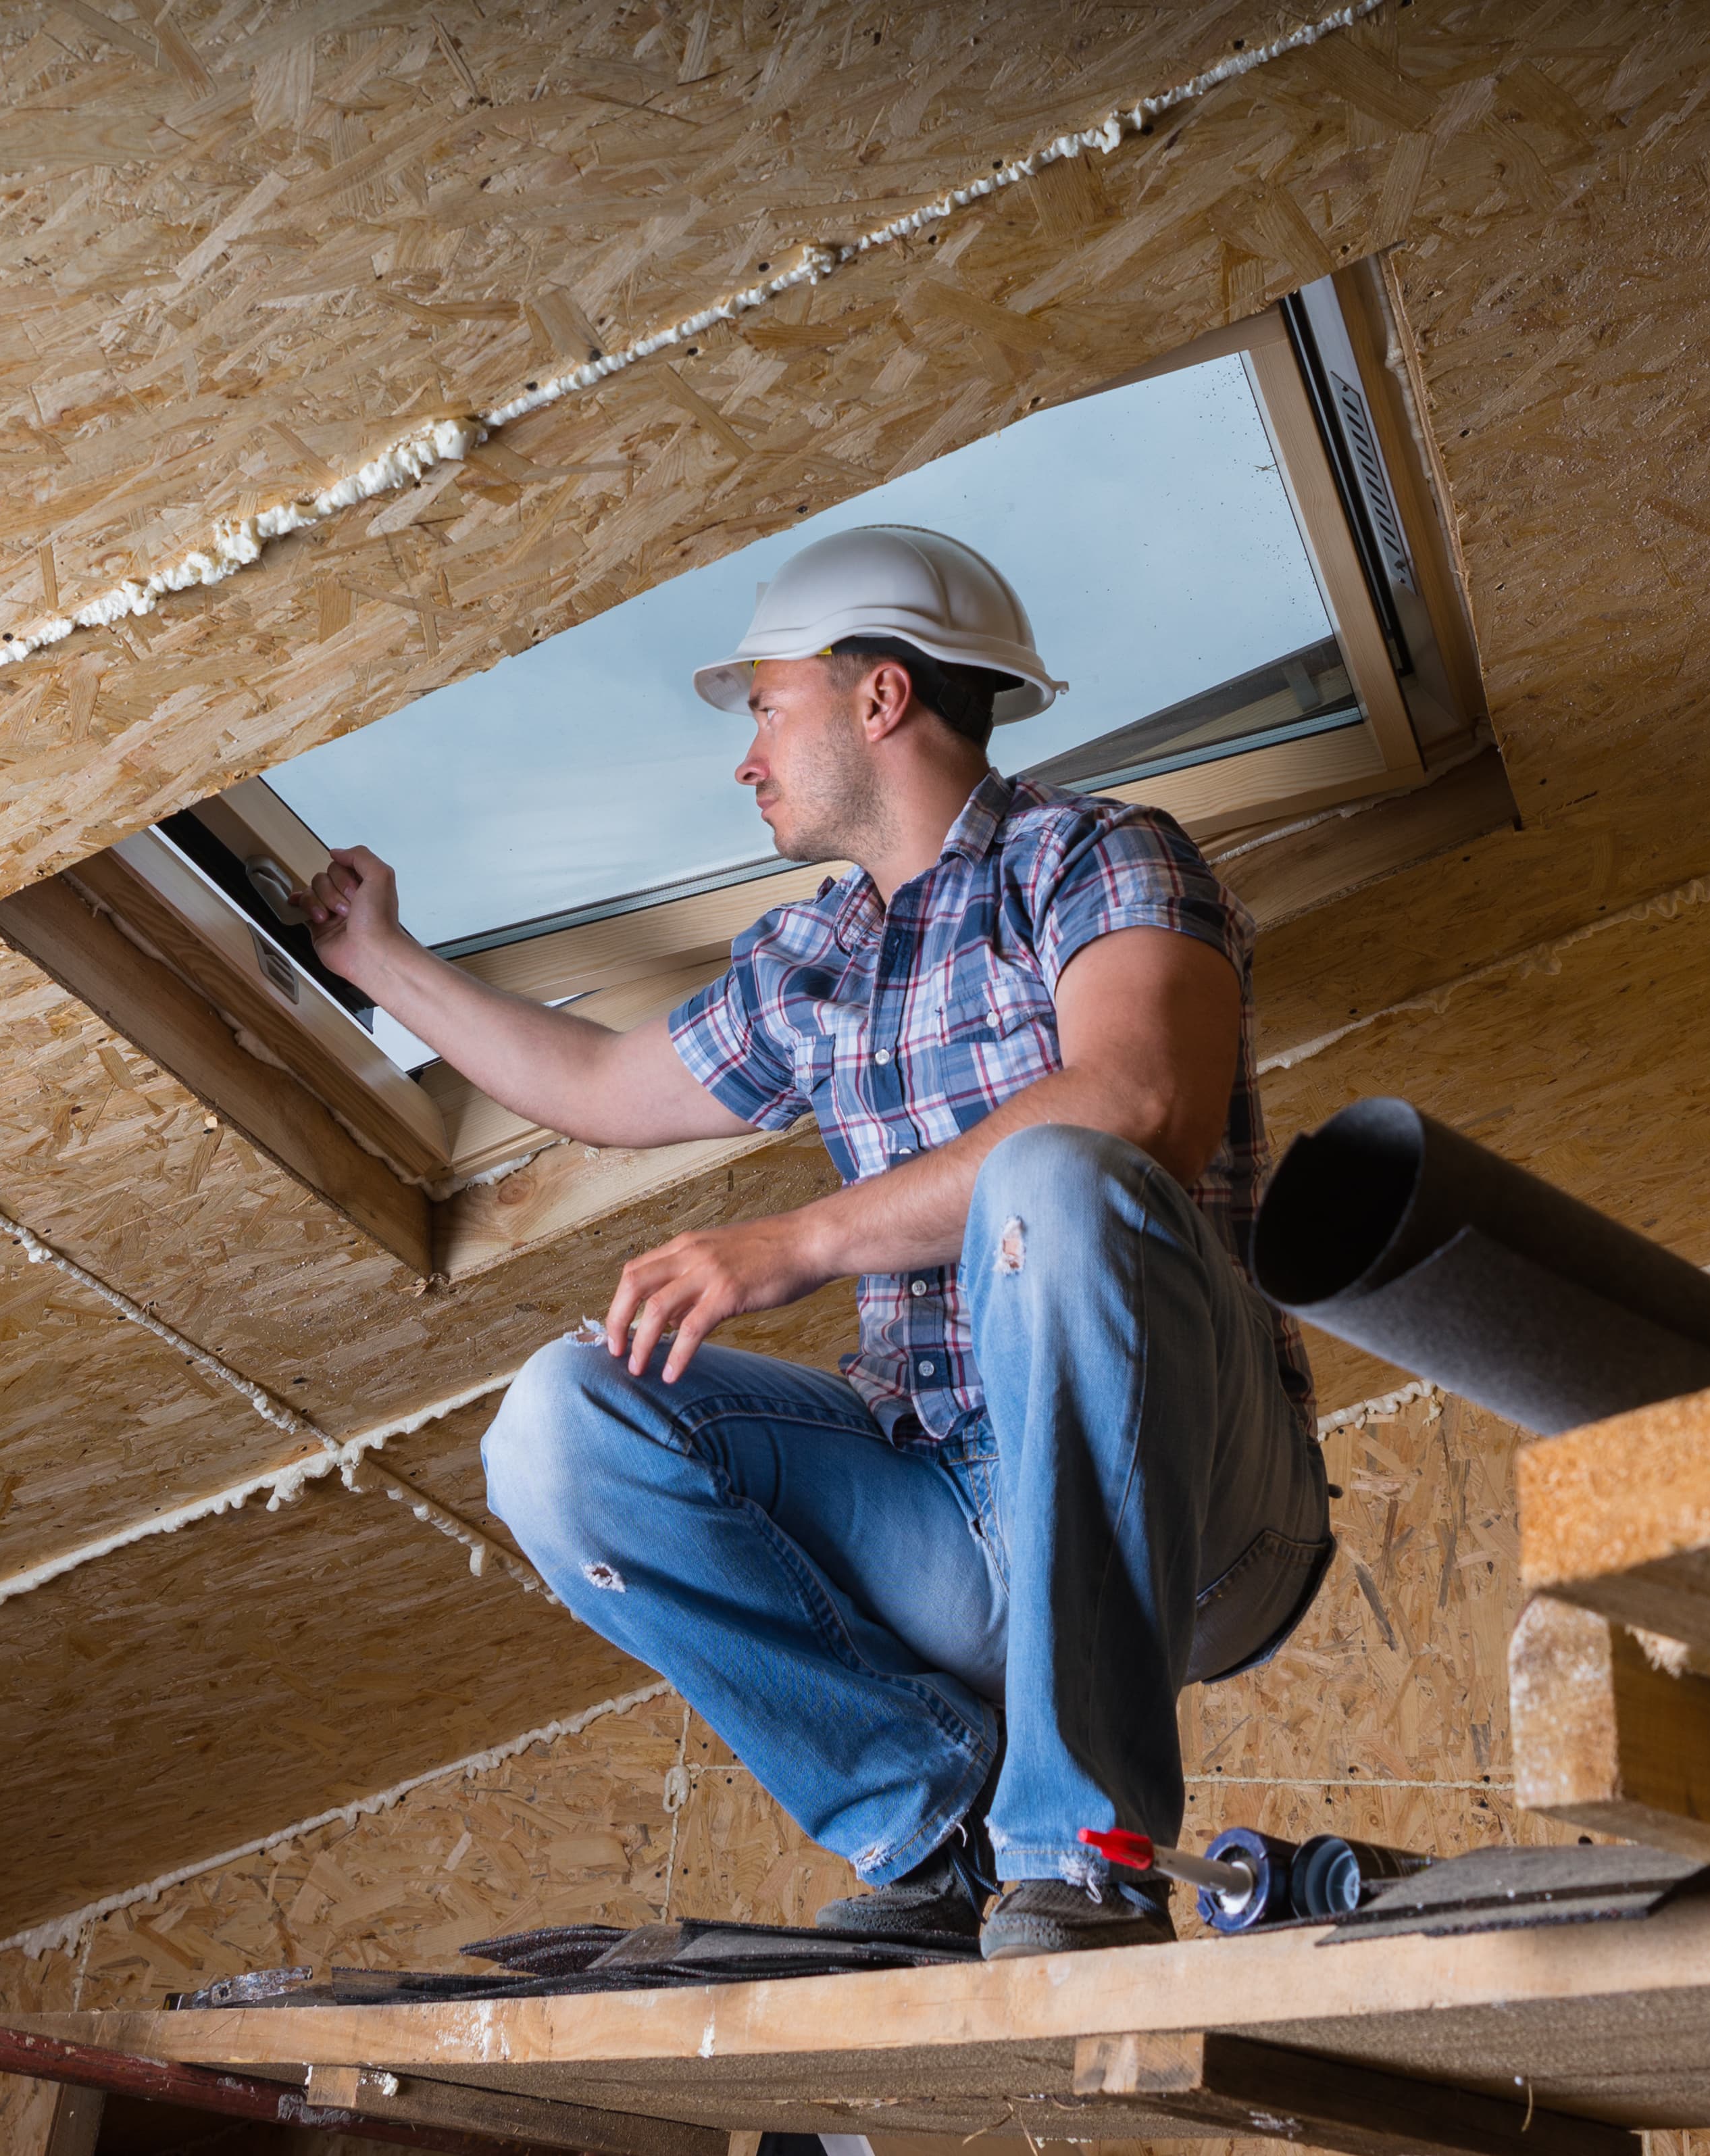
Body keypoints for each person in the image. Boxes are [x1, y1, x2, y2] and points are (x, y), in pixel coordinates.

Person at [299, 524, 1330, 1959]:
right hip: (949, 1519)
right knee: (562, 1422)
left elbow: (1139, 1103)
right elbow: (599, 1090)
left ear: (880, 697)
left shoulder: (1097, 855)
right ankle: (934, 1830)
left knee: (1059, 1180)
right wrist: (380, 961)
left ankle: (1080, 1853)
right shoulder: (819, 957)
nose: (746, 755)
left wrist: (799, 1242)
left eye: (766, 708)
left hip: (1204, 1513)